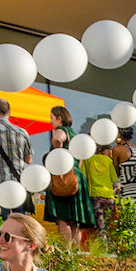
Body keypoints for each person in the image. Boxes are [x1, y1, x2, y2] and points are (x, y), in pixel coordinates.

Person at [43, 106, 96, 247]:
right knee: (74, 220)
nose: (51, 122)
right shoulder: (75, 134)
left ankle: (67, 253)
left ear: (59, 119)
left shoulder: (61, 130)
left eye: (52, 118)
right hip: (76, 177)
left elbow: (57, 139)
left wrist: (58, 154)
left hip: (63, 176)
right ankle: (75, 253)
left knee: (63, 218)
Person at [0, 98, 32, 217]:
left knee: (1, 220)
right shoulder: (22, 132)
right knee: (20, 219)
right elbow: (29, 159)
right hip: (18, 183)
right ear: (9, 113)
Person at [84, 143, 118, 235]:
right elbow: (114, 178)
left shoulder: (87, 160)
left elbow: (84, 177)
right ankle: (106, 246)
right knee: (106, 226)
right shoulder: (108, 160)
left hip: (95, 196)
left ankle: (103, 247)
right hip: (109, 197)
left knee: (100, 226)